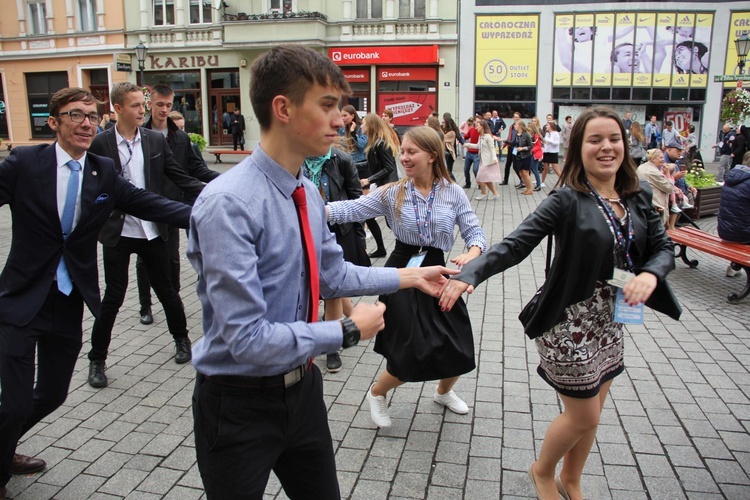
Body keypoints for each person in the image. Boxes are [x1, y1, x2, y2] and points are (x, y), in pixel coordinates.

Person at [187, 45, 454, 500]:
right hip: (237, 403)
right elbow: (245, 339)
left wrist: (411, 277)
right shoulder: (228, 203)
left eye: (340, 107)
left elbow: (332, 275)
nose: (340, 119)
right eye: (327, 105)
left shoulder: (307, 193)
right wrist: (347, 331)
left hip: (303, 390)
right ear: (283, 108)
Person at [439, 106, 681, 500]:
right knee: (583, 414)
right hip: (566, 321)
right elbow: (516, 244)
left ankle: (572, 479)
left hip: (609, 321)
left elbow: (663, 247)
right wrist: (471, 273)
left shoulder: (639, 194)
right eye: (595, 140)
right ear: (577, 148)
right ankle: (542, 471)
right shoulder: (567, 199)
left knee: (592, 414)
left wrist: (651, 274)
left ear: (625, 143)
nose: (607, 147)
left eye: (614, 138)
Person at [0, 87, 193, 500]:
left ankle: (4, 445)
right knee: (14, 402)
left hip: (69, 300)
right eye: (75, 115)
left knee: (52, 394)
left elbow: (151, 203)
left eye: (92, 115)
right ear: (54, 123)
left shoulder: (102, 171)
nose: (87, 123)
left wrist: (213, 214)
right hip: (21, 298)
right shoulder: (25, 163)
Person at [327, 126, 486, 428]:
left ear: (432, 155)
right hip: (401, 270)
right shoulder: (391, 192)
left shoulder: (453, 193)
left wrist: (473, 252)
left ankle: (443, 393)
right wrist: (309, 209)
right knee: (411, 348)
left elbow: (474, 231)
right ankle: (377, 393)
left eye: (412, 151)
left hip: (440, 273)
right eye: (403, 152)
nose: (404, 158)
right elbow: (350, 209)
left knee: (460, 345)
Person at [86, 81, 206, 389]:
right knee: (113, 296)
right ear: (118, 109)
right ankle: (97, 360)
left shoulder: (154, 140)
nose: (143, 110)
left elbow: (178, 175)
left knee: (166, 290)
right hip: (118, 230)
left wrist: (214, 193)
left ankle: (182, 340)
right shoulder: (100, 143)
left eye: (144, 104)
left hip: (153, 229)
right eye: (137, 105)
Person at [135, 84, 221, 326]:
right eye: (159, 104)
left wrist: (225, 180)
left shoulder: (180, 138)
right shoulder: (139, 135)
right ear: (149, 104)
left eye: (168, 105)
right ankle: (145, 305)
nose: (164, 109)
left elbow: (197, 169)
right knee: (144, 259)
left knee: (172, 259)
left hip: (172, 205)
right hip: (145, 204)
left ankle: (172, 300)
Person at [302, 146, 370, 373]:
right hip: (301, 230)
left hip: (336, 231)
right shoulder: (294, 155)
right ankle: (354, 322)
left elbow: (356, 200)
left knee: (333, 289)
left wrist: (359, 237)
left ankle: (332, 346)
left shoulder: (340, 158)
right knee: (312, 286)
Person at [359, 113, 400, 259]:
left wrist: (369, 179)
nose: (361, 126)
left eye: (363, 123)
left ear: (370, 125)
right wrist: (351, 164)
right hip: (382, 186)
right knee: (369, 215)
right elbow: (369, 164)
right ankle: (382, 249)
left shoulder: (381, 143)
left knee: (392, 222)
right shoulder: (374, 142)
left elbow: (389, 167)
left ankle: (403, 248)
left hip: (388, 187)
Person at [718, 154, 750, 277]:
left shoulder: (732, 177)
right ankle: (735, 266)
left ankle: (734, 267)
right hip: (741, 233)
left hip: (724, 229)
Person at [637, 149, 673, 228]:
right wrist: (668, 173)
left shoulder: (641, 167)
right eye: (660, 158)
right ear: (653, 159)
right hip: (656, 205)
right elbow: (669, 188)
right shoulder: (653, 172)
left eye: (663, 157)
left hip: (644, 202)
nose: (663, 160)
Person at [466, 120, 501, 200]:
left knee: (480, 176)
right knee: (486, 178)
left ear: (482, 127)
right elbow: (478, 146)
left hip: (488, 161)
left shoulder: (488, 137)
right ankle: (495, 193)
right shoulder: (481, 136)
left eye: (477, 126)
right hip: (483, 160)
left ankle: (483, 192)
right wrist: (468, 145)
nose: (476, 128)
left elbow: (492, 148)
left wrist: (494, 158)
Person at [512, 120, 534, 195]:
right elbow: (513, 143)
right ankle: (527, 188)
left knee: (525, 173)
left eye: (516, 125)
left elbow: (530, 146)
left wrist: (522, 148)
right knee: (521, 173)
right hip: (518, 156)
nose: (514, 126)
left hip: (526, 156)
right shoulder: (516, 134)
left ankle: (530, 189)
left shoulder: (526, 135)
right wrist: (504, 141)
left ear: (520, 126)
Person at [502, 111, 522, 185]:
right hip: (510, 147)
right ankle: (505, 180)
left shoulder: (521, 126)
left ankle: (522, 180)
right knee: (507, 164)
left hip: (516, 148)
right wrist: (504, 145)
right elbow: (509, 136)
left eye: (517, 117)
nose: (516, 118)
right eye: (515, 117)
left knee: (515, 166)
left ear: (519, 118)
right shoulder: (512, 126)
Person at [541, 121, 561, 188]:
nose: (546, 127)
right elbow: (545, 142)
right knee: (545, 168)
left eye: (548, 125)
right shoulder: (547, 133)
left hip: (553, 153)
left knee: (556, 169)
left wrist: (549, 141)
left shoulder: (556, 133)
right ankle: (542, 182)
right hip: (547, 152)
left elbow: (557, 143)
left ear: (551, 126)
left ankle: (564, 181)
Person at [463, 116, 480, 189]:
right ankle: (468, 183)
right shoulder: (472, 130)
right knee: (466, 169)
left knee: (475, 170)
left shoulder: (481, 131)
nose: (478, 123)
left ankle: (480, 184)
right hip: (469, 152)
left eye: (479, 122)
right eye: (477, 121)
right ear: (474, 122)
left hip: (477, 153)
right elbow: (465, 137)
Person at [441, 116, 460, 182]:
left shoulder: (451, 132)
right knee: (446, 171)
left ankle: (455, 184)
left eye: (443, 122)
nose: (442, 124)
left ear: (447, 123)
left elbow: (442, 138)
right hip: (446, 153)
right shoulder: (444, 131)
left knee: (448, 172)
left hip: (449, 154)